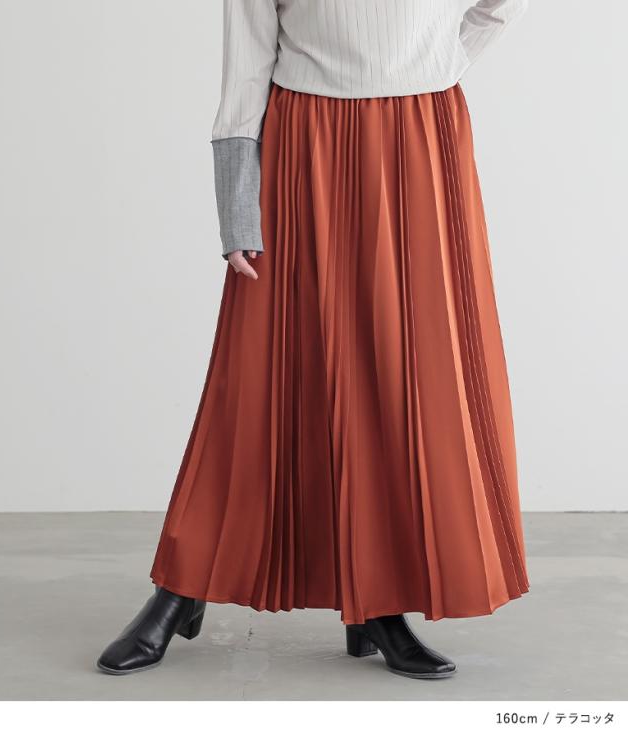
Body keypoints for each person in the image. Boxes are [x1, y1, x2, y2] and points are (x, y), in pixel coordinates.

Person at [97, 0, 531, 680]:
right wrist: (237, 209)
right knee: (258, 377)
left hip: (421, 134)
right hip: (305, 142)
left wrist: (438, 61)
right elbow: (246, 63)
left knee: (402, 372)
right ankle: (181, 587)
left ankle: (378, 602)